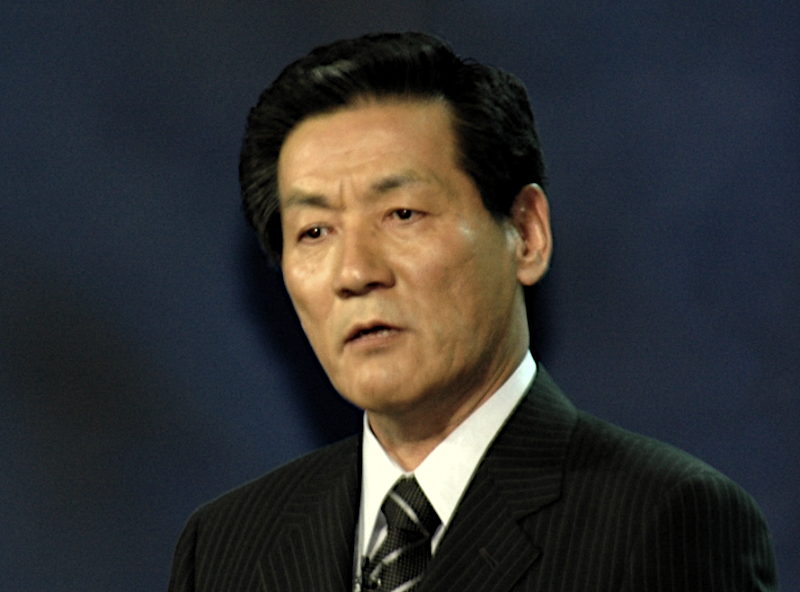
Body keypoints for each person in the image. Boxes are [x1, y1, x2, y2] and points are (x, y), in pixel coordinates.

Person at [168, 32, 777, 591]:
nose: (355, 272)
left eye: (402, 214)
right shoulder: (224, 547)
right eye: (315, 231)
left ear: (526, 234)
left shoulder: (666, 520)